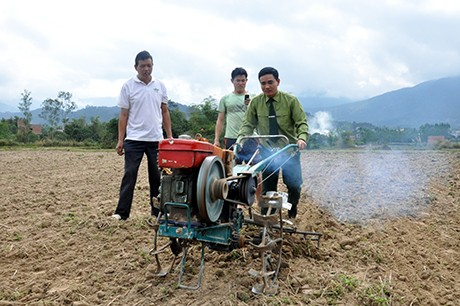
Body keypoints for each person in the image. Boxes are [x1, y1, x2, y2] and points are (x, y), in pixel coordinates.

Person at [237, 67, 308, 219]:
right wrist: (240, 140)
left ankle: (292, 206)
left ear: (278, 82)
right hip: (267, 151)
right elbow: (248, 124)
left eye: (270, 82)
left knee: (294, 185)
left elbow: (301, 123)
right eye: (263, 83)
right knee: (268, 186)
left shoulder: (291, 101)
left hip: (289, 150)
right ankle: (267, 218)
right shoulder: (256, 102)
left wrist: (302, 138)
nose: (267, 87)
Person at [112, 50, 172, 221]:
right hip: (134, 139)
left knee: (157, 178)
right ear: (135, 67)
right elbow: (123, 115)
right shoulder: (128, 86)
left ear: (152, 66)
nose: (146, 69)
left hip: (155, 139)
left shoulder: (159, 86)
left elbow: (165, 111)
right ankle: (121, 213)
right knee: (129, 175)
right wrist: (120, 140)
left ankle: (158, 212)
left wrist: (169, 136)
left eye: (149, 65)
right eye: (142, 66)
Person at [213, 67, 251, 149]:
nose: (240, 83)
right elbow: (220, 119)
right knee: (230, 161)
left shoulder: (253, 98)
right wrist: (216, 139)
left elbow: (259, 117)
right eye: (238, 80)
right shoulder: (225, 99)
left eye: (243, 80)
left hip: (250, 137)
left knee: (253, 161)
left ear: (246, 81)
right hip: (231, 137)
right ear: (232, 81)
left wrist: (250, 106)